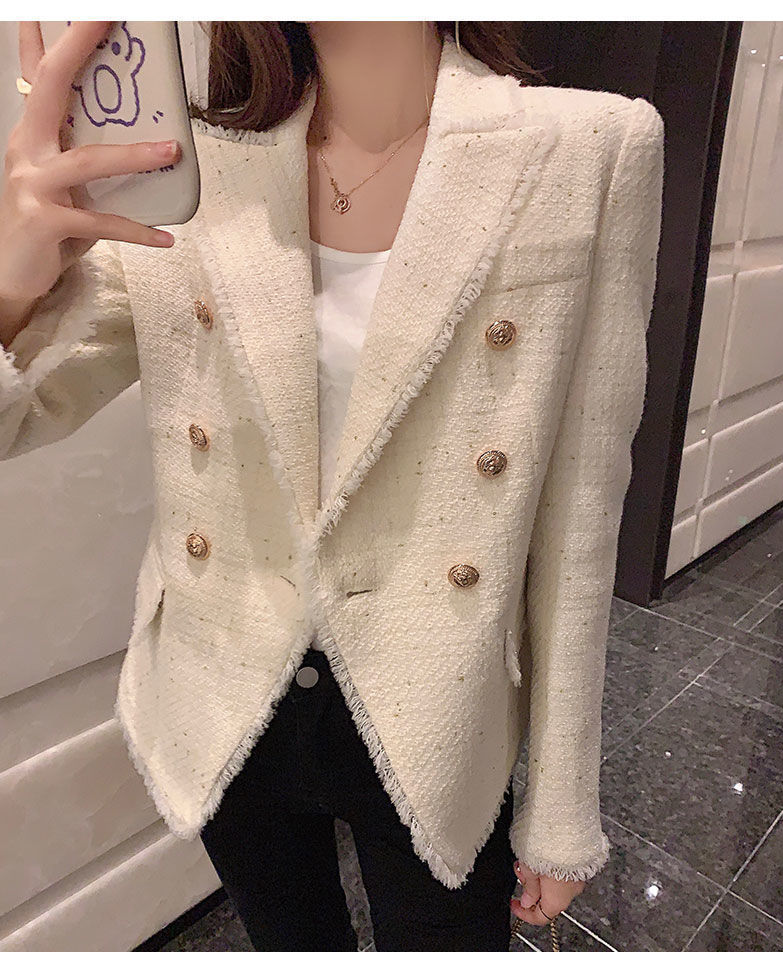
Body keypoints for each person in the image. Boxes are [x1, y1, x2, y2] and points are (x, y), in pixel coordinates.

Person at [0, 20, 664, 951]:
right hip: (223, 691)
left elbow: (582, 516)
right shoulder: (180, 167)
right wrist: (9, 287)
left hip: (438, 706)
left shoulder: (589, 148)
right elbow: (21, 417)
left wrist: (561, 805)